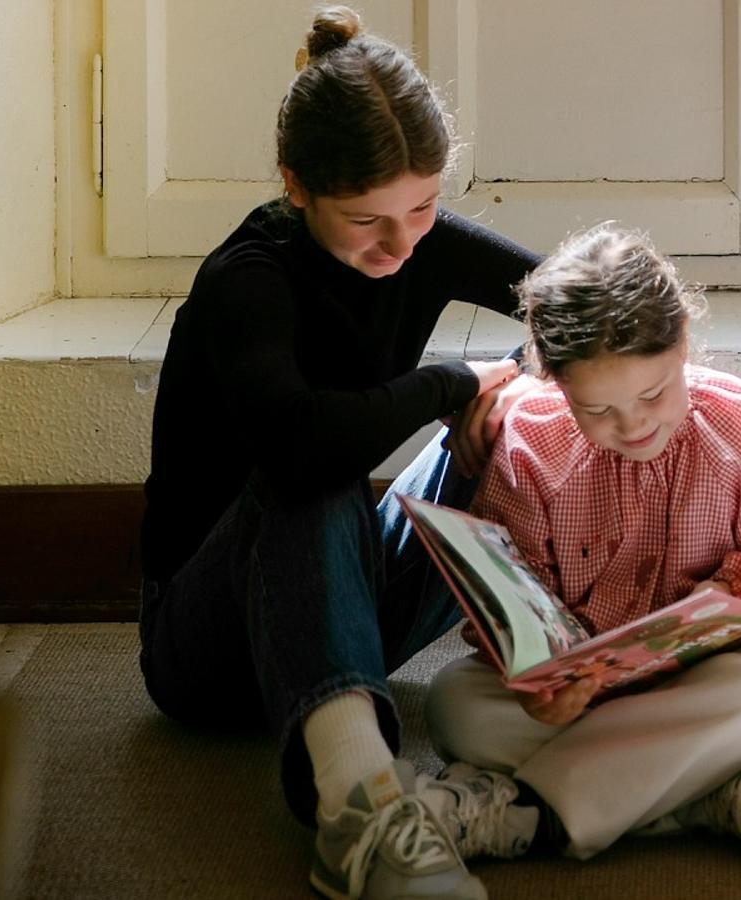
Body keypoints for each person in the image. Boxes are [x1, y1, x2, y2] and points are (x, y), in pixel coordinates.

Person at [137, 8, 542, 899]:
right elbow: (299, 448)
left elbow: (567, 291)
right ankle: (363, 806)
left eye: (423, 207)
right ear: (297, 188)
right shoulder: (249, 279)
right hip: (204, 650)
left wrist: (505, 391)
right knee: (313, 469)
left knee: (508, 422)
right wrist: (450, 384)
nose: (401, 244)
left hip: (345, 605)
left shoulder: (416, 238)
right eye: (367, 220)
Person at [421, 223, 741, 863]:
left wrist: (734, 588)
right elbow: (514, 597)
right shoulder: (530, 443)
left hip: (711, 678)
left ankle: (525, 814)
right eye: (597, 410)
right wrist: (541, 680)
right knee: (454, 704)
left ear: (682, 341)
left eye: (653, 393)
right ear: (554, 382)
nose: (633, 425)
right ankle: (702, 795)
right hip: (585, 701)